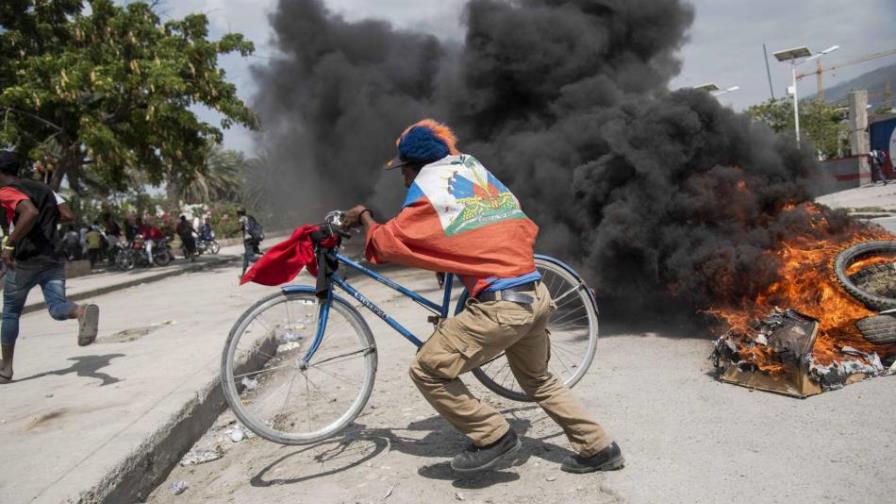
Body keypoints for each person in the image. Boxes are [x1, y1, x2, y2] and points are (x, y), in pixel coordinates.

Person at [342, 120, 622, 474]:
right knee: (538, 379)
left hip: (502, 308)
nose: (404, 178)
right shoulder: (476, 178)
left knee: (427, 369)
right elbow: (483, 236)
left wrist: (364, 216)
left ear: (418, 166)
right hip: (535, 294)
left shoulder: (432, 192)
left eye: (406, 170)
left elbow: (385, 244)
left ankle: (493, 436)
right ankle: (599, 448)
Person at [0, 150, 99, 384]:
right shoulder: (44, 189)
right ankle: (80, 312)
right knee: (57, 306)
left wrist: (10, 243)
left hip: (23, 261)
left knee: (11, 312)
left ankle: (5, 369)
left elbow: (30, 212)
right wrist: (43, 224)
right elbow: (66, 214)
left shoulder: (5, 192)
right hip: (52, 257)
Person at [237, 207, 263, 276]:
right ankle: (243, 275)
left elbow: (239, 227)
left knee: (250, 257)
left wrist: (234, 230)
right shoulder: (248, 217)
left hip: (248, 240)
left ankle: (264, 259)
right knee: (246, 257)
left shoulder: (242, 218)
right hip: (254, 238)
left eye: (237, 213)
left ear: (239, 213)